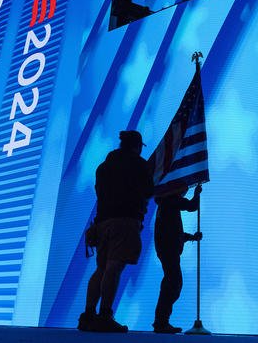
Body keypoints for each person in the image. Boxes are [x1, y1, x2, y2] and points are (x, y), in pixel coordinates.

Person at [78, 130, 154, 333]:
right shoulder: (138, 164)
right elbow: (148, 191)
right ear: (137, 146)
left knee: (101, 268)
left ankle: (88, 316)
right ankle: (105, 316)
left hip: (103, 223)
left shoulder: (103, 168)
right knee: (114, 267)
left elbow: (100, 193)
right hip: (125, 222)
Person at [152, 183, 203, 334]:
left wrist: (191, 237)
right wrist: (197, 192)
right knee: (173, 284)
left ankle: (161, 320)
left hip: (167, 249)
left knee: (171, 283)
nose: (185, 189)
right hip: (168, 250)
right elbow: (192, 206)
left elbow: (173, 232)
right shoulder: (170, 200)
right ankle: (161, 321)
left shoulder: (166, 203)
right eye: (183, 186)